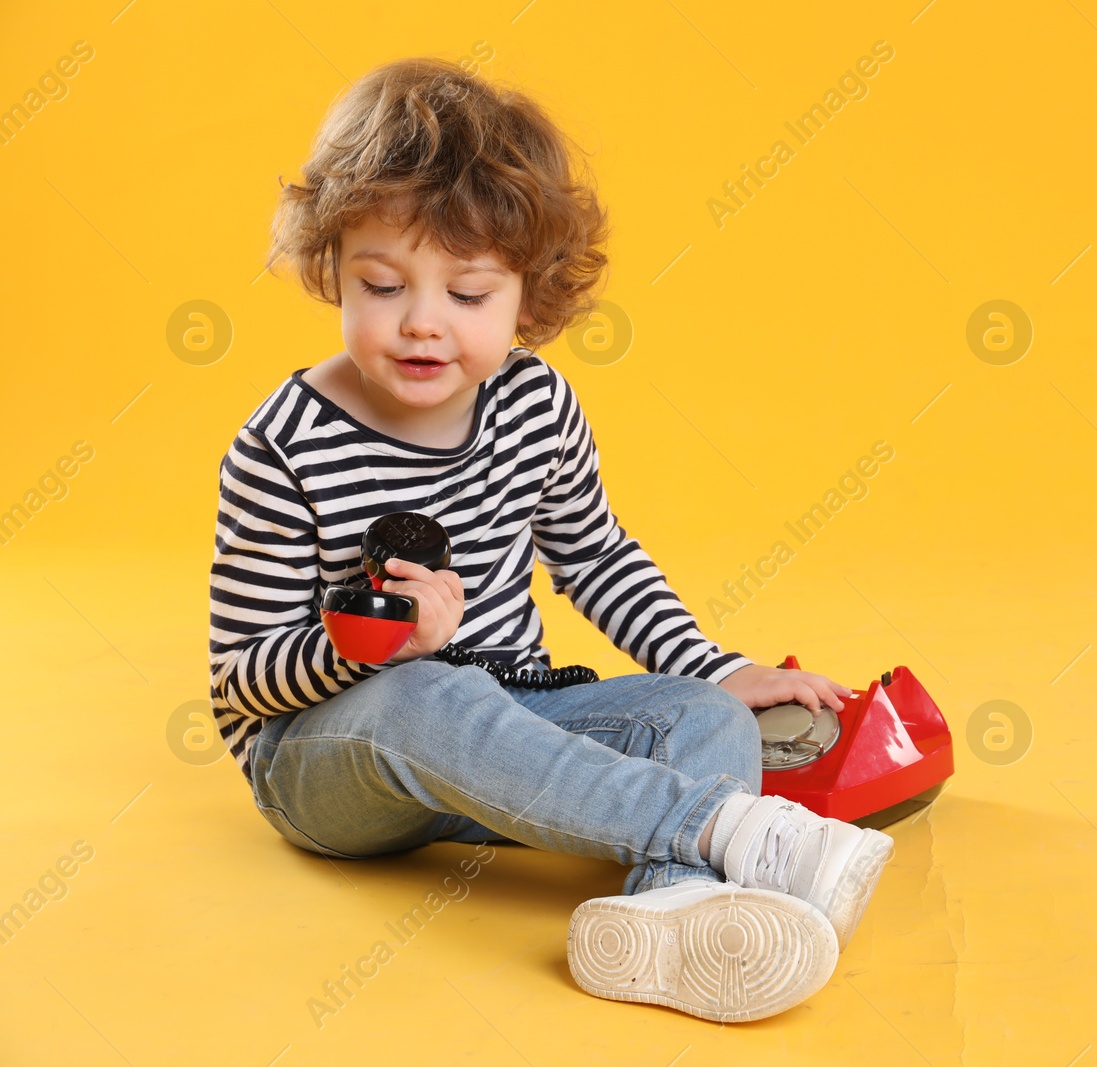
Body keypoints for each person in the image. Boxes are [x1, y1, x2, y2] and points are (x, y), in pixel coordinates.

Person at [208, 55, 893, 1023]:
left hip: (509, 732)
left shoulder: (535, 403)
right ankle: (739, 835)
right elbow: (240, 682)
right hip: (331, 760)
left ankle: (666, 918)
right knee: (420, 688)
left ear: (530, 297)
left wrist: (711, 665)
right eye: (383, 283)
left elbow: (596, 553)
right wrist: (363, 642)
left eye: (469, 294)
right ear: (332, 266)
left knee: (705, 720)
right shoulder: (284, 440)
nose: (421, 324)